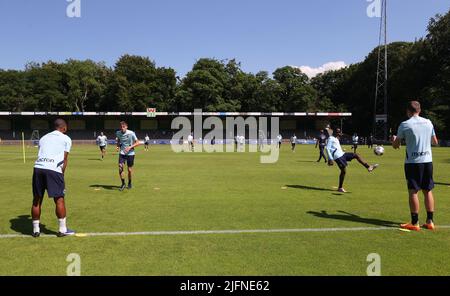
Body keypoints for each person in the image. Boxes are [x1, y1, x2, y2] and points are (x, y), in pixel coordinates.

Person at [392, 101, 439, 231]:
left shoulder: (405, 124)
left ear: (408, 111)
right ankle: (430, 221)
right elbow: (435, 142)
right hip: (427, 161)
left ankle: (415, 222)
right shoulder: (428, 122)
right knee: (427, 190)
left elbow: (396, 145)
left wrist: (394, 140)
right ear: (420, 110)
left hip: (413, 162)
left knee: (413, 191)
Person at [31, 119, 75, 237]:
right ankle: (62, 229)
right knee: (59, 199)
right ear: (64, 128)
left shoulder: (43, 138)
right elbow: (65, 159)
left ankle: (36, 230)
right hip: (53, 170)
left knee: (37, 199)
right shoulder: (66, 138)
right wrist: (62, 175)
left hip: (38, 168)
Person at [326, 128, 379, 193]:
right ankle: (340, 188)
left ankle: (368, 167)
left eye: (340, 132)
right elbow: (327, 148)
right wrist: (330, 158)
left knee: (356, 155)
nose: (340, 133)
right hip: (338, 157)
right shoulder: (331, 138)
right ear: (335, 132)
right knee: (343, 171)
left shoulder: (336, 138)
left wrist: (339, 136)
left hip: (342, 154)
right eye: (338, 132)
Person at [116, 121, 140, 191]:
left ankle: (129, 183)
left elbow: (138, 142)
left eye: (123, 127)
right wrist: (117, 145)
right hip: (122, 153)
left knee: (129, 170)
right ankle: (123, 184)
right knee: (120, 167)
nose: (122, 128)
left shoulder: (131, 133)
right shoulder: (118, 133)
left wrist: (130, 147)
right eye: (121, 127)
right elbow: (118, 140)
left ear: (126, 127)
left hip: (131, 153)